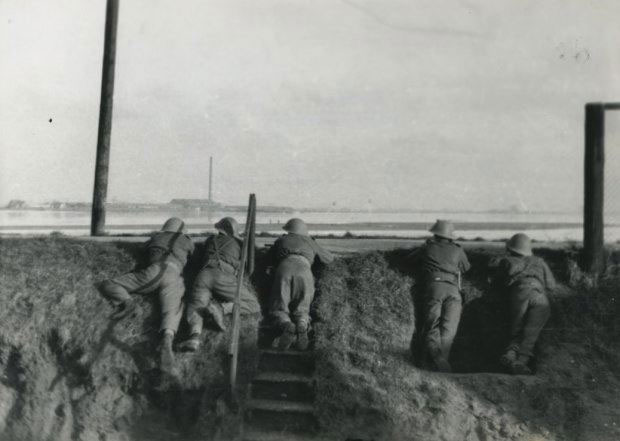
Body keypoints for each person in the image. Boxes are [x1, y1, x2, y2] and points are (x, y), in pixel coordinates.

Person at [97, 217, 194, 371]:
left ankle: (127, 302)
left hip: (153, 271)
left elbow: (142, 248)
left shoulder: (156, 237)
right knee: (173, 309)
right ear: (182, 231)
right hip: (174, 275)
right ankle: (167, 338)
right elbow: (192, 256)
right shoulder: (187, 241)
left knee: (109, 283)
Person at [178, 217, 260, 352]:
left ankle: (194, 337)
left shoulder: (210, 240)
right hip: (223, 276)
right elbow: (249, 264)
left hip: (203, 275)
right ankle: (222, 309)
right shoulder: (241, 244)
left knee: (197, 305)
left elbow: (198, 258)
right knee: (253, 305)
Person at [412, 220, 470, 373]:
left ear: (436, 234)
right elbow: (466, 267)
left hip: (434, 287)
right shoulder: (458, 250)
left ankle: (427, 359)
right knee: (449, 329)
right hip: (453, 291)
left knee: (431, 324)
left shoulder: (428, 248)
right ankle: (441, 361)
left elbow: (410, 260)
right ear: (450, 236)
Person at [267, 218, 334, 351]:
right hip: (304, 270)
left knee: (279, 305)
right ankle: (302, 324)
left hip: (284, 268)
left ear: (289, 230)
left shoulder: (281, 240)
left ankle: (286, 324)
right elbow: (329, 259)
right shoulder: (309, 241)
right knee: (303, 306)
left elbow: (268, 258)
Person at [495, 233, 554, 375]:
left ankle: (510, 353)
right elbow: (552, 285)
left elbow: (498, 284)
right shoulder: (539, 261)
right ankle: (521, 361)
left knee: (517, 328)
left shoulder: (507, 262)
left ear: (511, 248)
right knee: (531, 332)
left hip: (519, 294)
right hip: (539, 296)